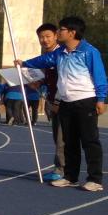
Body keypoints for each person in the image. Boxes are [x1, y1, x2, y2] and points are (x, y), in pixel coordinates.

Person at [19, 16, 106, 192]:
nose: (58, 32)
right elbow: (43, 60)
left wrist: (101, 99)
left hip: (85, 101)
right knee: (69, 142)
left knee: (89, 141)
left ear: (72, 32)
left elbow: (100, 76)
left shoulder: (89, 52)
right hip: (66, 102)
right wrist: (24, 63)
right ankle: (70, 177)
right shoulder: (60, 53)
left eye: (61, 29)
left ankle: (94, 179)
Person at [34, 23, 65, 181]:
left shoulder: (61, 55)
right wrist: (39, 83)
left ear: (56, 36)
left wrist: (57, 103)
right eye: (41, 37)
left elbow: (64, 81)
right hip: (53, 101)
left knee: (61, 138)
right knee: (57, 137)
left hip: (63, 103)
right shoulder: (48, 57)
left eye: (48, 36)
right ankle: (61, 168)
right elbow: (49, 80)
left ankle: (62, 170)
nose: (44, 40)